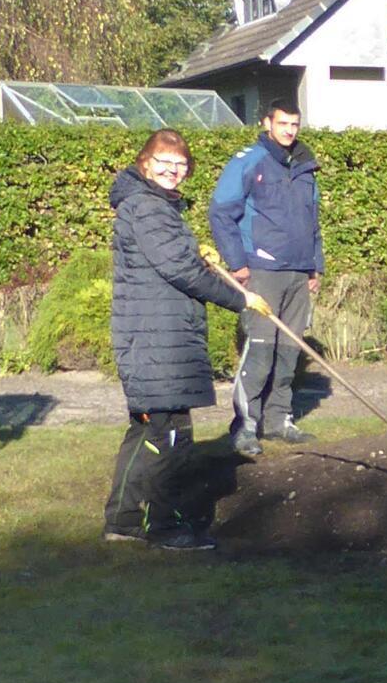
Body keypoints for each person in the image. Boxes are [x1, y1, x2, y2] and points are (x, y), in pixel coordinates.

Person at [104, 128, 265, 552]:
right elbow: (181, 271)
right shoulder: (149, 208)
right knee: (170, 436)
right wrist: (240, 298)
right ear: (145, 164)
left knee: (146, 430)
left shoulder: (151, 206)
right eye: (164, 162)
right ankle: (166, 526)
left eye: (180, 165)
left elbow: (176, 261)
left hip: (155, 336)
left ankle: (122, 520)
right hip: (158, 341)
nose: (173, 171)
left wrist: (201, 256)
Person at [209, 98, 322, 459]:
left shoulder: (305, 167)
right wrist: (237, 263)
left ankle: (279, 421)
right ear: (267, 123)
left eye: (295, 124)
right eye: (283, 123)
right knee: (259, 352)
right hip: (261, 272)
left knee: (289, 353)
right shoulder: (250, 161)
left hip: (297, 273)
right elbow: (221, 211)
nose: (289, 130)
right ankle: (244, 426)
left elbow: (312, 221)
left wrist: (314, 266)